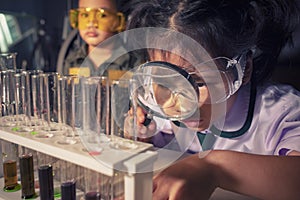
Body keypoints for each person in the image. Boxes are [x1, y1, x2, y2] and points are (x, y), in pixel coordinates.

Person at [123, 0, 300, 199]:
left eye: (198, 82)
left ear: (244, 69)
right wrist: (141, 135)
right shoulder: (162, 107)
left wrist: (214, 167)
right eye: (166, 82)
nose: (180, 104)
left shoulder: (282, 112)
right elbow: (155, 144)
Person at [62, 0, 141, 78]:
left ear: (119, 20)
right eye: (85, 15)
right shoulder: (72, 61)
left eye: (102, 15)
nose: (91, 24)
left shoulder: (134, 62)